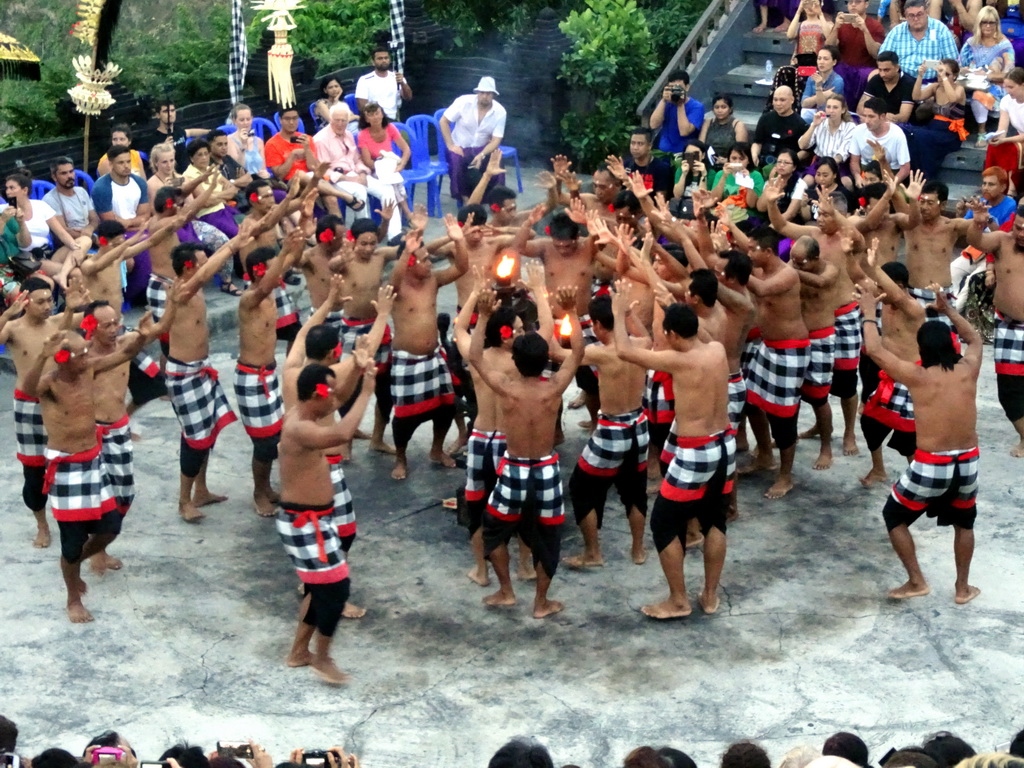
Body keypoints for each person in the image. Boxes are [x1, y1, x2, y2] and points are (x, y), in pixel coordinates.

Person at [612, 283, 733, 618]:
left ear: (672, 335)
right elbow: (699, 335)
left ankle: (679, 600)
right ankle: (709, 595)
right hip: (724, 443)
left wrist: (618, 311)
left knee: (663, 522)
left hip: (696, 451)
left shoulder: (678, 361)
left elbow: (624, 351)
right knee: (715, 520)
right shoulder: (717, 351)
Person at [859, 282, 983, 605]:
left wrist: (869, 313)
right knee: (964, 521)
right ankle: (962, 588)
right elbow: (975, 338)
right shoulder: (969, 369)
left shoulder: (918, 376)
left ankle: (916, 581)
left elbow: (874, 350)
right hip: (968, 461)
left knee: (893, 515)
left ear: (922, 350)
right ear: (951, 346)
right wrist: (950, 311)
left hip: (932, 464)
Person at [468, 284, 584, 619]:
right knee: (547, 537)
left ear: (515, 361)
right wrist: (571, 311)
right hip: (545, 469)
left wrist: (485, 316)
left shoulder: (507, 390)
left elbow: (475, 356)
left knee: (494, 531)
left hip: (514, 469)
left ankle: (506, 591)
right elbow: (576, 353)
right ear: (545, 359)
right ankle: (540, 602)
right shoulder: (554, 389)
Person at [21, 327, 150, 622]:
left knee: (110, 527)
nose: (86, 357)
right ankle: (73, 597)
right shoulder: (49, 384)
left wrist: (143, 335)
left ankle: (74, 564)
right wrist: (43, 354)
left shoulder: (88, 370)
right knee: (72, 539)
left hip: (93, 463)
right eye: (79, 354)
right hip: (65, 469)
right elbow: (27, 390)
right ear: (63, 358)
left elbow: (125, 354)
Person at [277, 361, 376, 684]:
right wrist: (369, 390)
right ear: (314, 395)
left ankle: (299, 652)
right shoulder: (300, 428)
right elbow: (343, 432)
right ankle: (322, 657)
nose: (333, 399)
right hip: (305, 524)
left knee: (320, 588)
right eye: (328, 393)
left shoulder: (305, 411)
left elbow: (338, 397)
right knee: (336, 589)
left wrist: (358, 373)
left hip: (314, 521)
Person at [453, 264, 553, 585]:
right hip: (508, 445)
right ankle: (523, 565)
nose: (525, 332)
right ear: (507, 334)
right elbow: (549, 330)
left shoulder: (478, 356)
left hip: (481, 439)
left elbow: (458, 328)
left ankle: (482, 570)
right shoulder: (523, 358)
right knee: (521, 508)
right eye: (520, 328)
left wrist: (475, 299)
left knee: (478, 504)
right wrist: (540, 290)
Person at [165, 233, 255, 523]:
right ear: (190, 267)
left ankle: (200, 490)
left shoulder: (197, 288)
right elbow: (210, 267)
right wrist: (234, 243)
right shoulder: (181, 290)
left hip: (202, 369)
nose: (208, 268)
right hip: (185, 375)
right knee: (195, 440)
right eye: (202, 263)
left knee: (208, 432)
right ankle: (183, 501)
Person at [85, 299, 176, 572]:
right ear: (90, 328)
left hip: (119, 429)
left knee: (124, 496)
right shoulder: (84, 357)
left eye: (116, 322)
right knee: (98, 498)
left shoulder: (125, 343)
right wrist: (139, 338)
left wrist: (174, 300)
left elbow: (161, 328)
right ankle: (95, 551)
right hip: (93, 434)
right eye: (107, 325)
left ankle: (98, 544)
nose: (114, 329)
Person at [388, 220, 469, 480]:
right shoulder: (397, 289)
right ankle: (401, 458)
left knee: (445, 408)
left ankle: (437, 449)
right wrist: (405, 252)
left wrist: (458, 240)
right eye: (424, 259)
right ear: (411, 263)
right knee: (404, 418)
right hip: (406, 360)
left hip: (434, 358)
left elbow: (461, 267)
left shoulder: (432, 281)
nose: (430, 263)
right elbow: (393, 278)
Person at [740, 227, 810, 499]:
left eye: (752, 249)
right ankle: (765, 455)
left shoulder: (787, 274)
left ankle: (786, 476)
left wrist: (731, 266)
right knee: (752, 403)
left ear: (768, 251)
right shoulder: (760, 270)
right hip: (767, 348)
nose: (748, 253)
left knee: (783, 418)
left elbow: (761, 289)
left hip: (790, 351)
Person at [236, 238, 304, 517]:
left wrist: (297, 239)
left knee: (276, 437)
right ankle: (258, 493)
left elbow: (290, 262)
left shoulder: (274, 291)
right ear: (253, 273)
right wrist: (285, 252)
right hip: (251, 379)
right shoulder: (249, 298)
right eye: (266, 270)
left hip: (268, 375)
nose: (274, 275)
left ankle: (265, 488)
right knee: (263, 444)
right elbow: (268, 281)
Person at [0, 277, 69, 548]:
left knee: (68, 463)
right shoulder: (13, 328)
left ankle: (72, 521)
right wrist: (6, 314)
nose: (47, 306)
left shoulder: (57, 322)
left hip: (60, 401)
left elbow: (85, 315)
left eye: (50, 300)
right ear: (25, 302)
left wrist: (75, 304)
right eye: (41, 301)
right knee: (34, 472)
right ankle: (42, 524)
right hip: (29, 405)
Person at [857, 247, 926, 487]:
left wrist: (875, 265)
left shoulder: (913, 308)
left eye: (885, 286)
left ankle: (920, 480)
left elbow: (894, 294)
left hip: (909, 377)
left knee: (908, 436)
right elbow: (857, 276)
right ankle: (878, 469)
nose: (880, 290)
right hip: (885, 372)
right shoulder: (883, 300)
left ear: (901, 287)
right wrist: (848, 255)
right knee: (869, 423)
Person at [963, 199, 1024, 456]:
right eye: (1018, 227)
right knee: (1009, 391)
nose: (1020, 233)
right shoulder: (1002, 241)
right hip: (1009, 326)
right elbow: (977, 241)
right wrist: (978, 221)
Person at [265, 106, 355, 217]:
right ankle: (344, 195)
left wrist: (307, 149)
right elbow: (279, 174)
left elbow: (313, 167)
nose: (292, 122)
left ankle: (339, 231)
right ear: (280, 120)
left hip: (312, 179)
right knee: (300, 174)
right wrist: (292, 156)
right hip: (289, 182)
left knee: (331, 199)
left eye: (295, 118)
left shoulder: (306, 139)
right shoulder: (272, 144)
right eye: (287, 119)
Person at [4, 170, 89, 286]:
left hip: (48, 252)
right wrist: (19, 222)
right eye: (7, 188)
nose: (7, 192)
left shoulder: (40, 206)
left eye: (12, 188)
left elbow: (61, 233)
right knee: (76, 272)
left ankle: (62, 274)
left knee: (85, 240)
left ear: (24, 190)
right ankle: (67, 284)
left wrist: (76, 249)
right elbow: (25, 245)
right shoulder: (5, 211)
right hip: (30, 258)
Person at [92, 146, 153, 303]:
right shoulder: (102, 188)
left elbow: (145, 215)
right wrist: (135, 223)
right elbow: (111, 223)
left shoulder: (139, 182)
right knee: (142, 250)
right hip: (112, 235)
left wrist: (128, 223)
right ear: (111, 164)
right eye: (121, 163)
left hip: (137, 229)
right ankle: (135, 294)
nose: (126, 166)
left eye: (128, 162)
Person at [951, 167, 1013, 309]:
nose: (986, 187)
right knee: (952, 270)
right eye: (984, 183)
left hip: (994, 254)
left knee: (971, 280)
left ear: (1003, 187)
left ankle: (953, 314)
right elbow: (965, 229)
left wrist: (988, 219)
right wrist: (960, 214)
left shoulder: (1010, 205)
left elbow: (1004, 238)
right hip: (975, 250)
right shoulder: (982, 202)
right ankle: (948, 306)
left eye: (991, 184)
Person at [314, 103, 386, 225]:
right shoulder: (320, 140)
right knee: (360, 191)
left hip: (354, 173)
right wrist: (352, 179)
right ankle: (363, 228)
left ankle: (393, 232)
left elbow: (357, 159)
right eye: (337, 120)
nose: (340, 124)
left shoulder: (348, 134)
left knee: (385, 190)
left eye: (344, 120)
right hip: (335, 180)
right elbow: (325, 172)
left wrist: (362, 173)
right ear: (330, 120)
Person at [440, 77, 507, 204]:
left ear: (493, 95)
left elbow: (496, 139)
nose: (484, 96)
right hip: (460, 145)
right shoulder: (463, 102)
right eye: (482, 92)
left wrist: (482, 154)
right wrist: (451, 145)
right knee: (456, 159)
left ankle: (496, 199)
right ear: (477, 93)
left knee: (497, 158)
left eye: (488, 93)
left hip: (482, 147)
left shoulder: (500, 112)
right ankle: (466, 200)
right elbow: (443, 121)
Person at [356, 101, 413, 235]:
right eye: (370, 115)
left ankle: (402, 220)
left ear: (382, 114)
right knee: (392, 183)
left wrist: (401, 165)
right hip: (374, 169)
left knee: (392, 180)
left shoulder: (390, 128)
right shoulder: (363, 134)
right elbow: (367, 161)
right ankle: (408, 214)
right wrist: (382, 169)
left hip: (391, 166)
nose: (375, 117)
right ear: (366, 118)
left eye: (377, 113)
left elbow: (406, 149)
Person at [959, 8, 1015, 143]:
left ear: (997, 24)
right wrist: (965, 70)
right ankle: (953, 129)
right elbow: (959, 66)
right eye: (984, 22)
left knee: (979, 94)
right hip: (969, 83)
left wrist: (987, 75)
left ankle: (982, 132)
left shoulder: (1004, 45)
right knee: (952, 89)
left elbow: (1009, 74)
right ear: (979, 24)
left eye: (991, 22)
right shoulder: (970, 43)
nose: (988, 26)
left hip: (996, 85)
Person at [908, 59, 967, 180]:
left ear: (954, 76)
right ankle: (914, 173)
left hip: (950, 133)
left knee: (921, 136)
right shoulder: (935, 87)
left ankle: (927, 175)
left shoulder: (959, 89)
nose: (940, 76)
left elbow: (952, 99)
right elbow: (916, 96)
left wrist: (944, 78)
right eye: (939, 73)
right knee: (909, 132)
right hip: (934, 127)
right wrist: (920, 76)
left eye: (947, 74)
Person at [826, 0, 885, 110]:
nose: (853, 5)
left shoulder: (875, 26)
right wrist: (836, 28)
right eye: (850, 2)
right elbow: (828, 48)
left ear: (866, 4)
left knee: (869, 75)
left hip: (865, 68)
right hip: (844, 67)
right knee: (834, 69)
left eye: (857, 2)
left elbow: (876, 54)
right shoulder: (842, 24)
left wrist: (865, 30)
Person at [878, 0, 958, 79]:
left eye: (919, 14)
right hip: (901, 81)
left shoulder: (940, 29)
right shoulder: (897, 32)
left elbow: (953, 63)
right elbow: (882, 58)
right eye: (911, 15)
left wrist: (933, 65)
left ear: (926, 12)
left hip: (933, 82)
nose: (916, 19)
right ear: (905, 16)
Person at [849, 97, 911, 184]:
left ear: (882, 117)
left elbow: (905, 168)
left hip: (890, 175)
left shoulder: (897, 134)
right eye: (865, 116)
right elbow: (854, 161)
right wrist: (857, 177)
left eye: (871, 116)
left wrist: (892, 185)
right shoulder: (858, 131)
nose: (866, 121)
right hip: (866, 176)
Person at [983, 67, 1024, 194]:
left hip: (1021, 139)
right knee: (994, 147)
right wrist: (996, 137)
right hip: (1019, 137)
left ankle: (1011, 189)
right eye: (1005, 87)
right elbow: (1002, 130)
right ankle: (991, 185)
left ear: (1022, 85)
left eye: (1011, 87)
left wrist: (1005, 140)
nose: (1007, 90)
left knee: (1013, 148)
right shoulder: (1006, 100)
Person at [798, 96, 856, 184]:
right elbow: (802, 145)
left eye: (835, 107)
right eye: (828, 107)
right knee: (806, 181)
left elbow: (842, 153)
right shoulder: (819, 123)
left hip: (838, 164)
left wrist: (828, 168)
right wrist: (814, 125)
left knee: (846, 183)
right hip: (819, 161)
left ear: (843, 110)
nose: (831, 111)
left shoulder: (850, 127)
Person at [43, 157, 98, 245]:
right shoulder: (50, 199)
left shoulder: (81, 191)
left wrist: (89, 229)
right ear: (54, 177)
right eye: (64, 173)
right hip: (69, 244)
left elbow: (94, 219)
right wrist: (93, 238)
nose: (69, 176)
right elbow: (63, 231)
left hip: (90, 236)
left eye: (71, 171)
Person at [650, 70, 706, 154]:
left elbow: (684, 132)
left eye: (679, 87)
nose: (675, 91)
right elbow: (653, 124)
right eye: (672, 87)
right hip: (663, 152)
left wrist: (680, 104)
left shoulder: (697, 107)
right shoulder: (667, 103)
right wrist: (663, 100)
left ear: (687, 87)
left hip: (683, 154)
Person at [751, 86, 808, 167]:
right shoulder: (765, 118)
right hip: (764, 162)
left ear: (792, 100)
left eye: (782, 100)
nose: (778, 103)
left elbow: (806, 151)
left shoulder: (800, 124)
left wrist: (789, 162)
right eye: (775, 100)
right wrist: (754, 155)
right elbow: (757, 142)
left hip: (786, 166)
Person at [710, 142, 766, 223]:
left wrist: (748, 181)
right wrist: (724, 176)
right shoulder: (720, 174)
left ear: (748, 161)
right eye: (734, 158)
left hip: (747, 216)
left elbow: (752, 204)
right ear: (729, 159)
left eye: (741, 159)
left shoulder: (756, 176)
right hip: (724, 212)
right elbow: (714, 200)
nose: (737, 162)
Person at [150, 100, 210, 172]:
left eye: (172, 110)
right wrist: (164, 148)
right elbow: (153, 165)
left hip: (189, 173)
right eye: (166, 111)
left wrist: (211, 131)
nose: (170, 114)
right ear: (158, 115)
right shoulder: (154, 138)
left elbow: (190, 132)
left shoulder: (178, 130)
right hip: (173, 177)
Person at [354, 44, 412, 120]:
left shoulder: (397, 77)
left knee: (406, 132)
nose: (384, 60)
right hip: (374, 120)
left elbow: (408, 97)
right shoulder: (364, 80)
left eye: (386, 58)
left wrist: (402, 83)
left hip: (393, 119)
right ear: (373, 62)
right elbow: (362, 106)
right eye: (380, 58)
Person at [857, 51, 916, 123]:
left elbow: (904, 117)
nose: (882, 74)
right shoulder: (875, 79)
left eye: (886, 70)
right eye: (880, 70)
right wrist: (879, 116)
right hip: (877, 120)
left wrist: (884, 117)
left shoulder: (908, 83)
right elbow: (860, 109)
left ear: (897, 68)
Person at [756, 149, 808, 222]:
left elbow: (790, 214)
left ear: (794, 167)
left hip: (788, 224)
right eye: (779, 162)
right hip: (769, 220)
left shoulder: (800, 184)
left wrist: (773, 225)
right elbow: (761, 208)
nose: (781, 165)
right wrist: (770, 184)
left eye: (786, 163)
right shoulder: (771, 181)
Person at [699, 95, 749, 166]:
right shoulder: (708, 122)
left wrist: (727, 160)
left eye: (723, 107)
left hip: (730, 163)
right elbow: (700, 144)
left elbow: (741, 150)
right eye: (717, 107)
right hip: (707, 163)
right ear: (712, 110)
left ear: (730, 109)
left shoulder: (738, 125)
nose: (720, 110)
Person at [623, 127, 674, 197]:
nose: (635, 147)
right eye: (632, 143)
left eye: (640, 144)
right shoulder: (626, 165)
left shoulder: (661, 168)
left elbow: (661, 198)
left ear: (649, 146)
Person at [226, 103, 272, 179]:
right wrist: (244, 145)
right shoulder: (229, 140)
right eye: (241, 120)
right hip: (243, 181)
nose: (245, 123)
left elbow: (263, 168)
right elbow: (237, 169)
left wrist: (265, 174)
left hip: (259, 179)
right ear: (234, 121)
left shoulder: (258, 141)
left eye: (248, 119)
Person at [800, 46, 846, 123]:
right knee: (805, 113)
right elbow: (804, 103)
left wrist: (818, 90)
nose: (821, 62)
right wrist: (824, 94)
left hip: (830, 114)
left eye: (825, 59)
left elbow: (823, 107)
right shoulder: (812, 78)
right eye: (819, 58)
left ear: (834, 62)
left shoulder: (838, 81)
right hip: (816, 113)